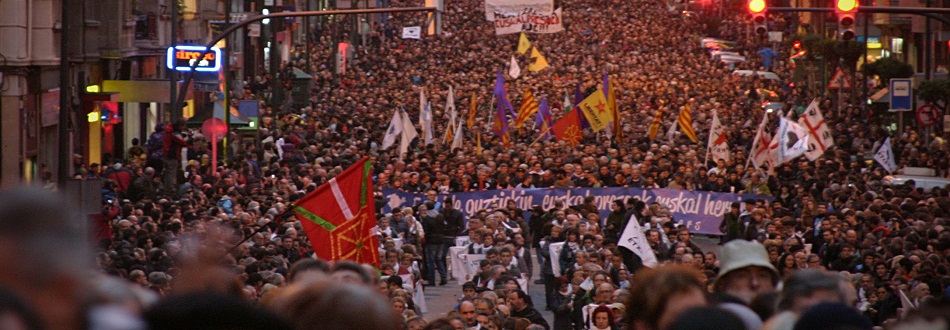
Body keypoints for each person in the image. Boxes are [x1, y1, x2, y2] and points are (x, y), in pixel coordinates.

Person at [161, 118, 190, 198]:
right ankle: (171, 192)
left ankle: (167, 190)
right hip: (172, 155)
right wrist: (187, 138)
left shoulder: (169, 130)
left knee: (168, 174)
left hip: (167, 155)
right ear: (181, 126)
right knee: (172, 174)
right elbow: (183, 142)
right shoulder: (174, 132)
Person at [420, 201, 448, 285]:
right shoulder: (440, 216)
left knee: (430, 262)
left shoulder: (426, 218)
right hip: (441, 240)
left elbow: (426, 231)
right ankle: (444, 277)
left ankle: (431, 280)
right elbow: (444, 226)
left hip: (431, 241)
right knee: (438, 259)